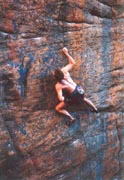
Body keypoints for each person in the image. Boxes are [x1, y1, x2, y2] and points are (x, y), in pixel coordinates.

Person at [54, 47, 98, 126]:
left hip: (74, 96)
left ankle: (71, 118)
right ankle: (95, 109)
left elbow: (60, 98)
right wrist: (66, 53)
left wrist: (64, 98)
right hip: (79, 89)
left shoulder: (58, 85)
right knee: (84, 98)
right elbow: (73, 63)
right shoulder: (64, 71)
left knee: (58, 108)